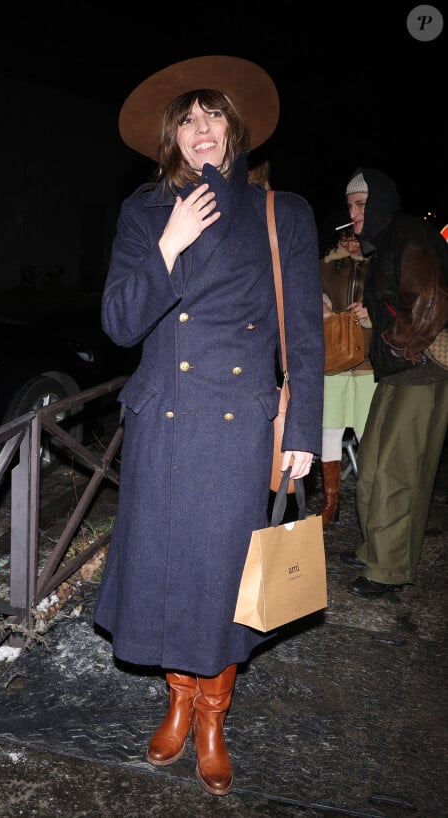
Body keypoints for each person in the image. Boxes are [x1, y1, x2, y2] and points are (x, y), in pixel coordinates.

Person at [93, 55, 324, 796]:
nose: (200, 129)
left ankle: (214, 711)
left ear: (235, 127)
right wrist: (169, 242)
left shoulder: (279, 211)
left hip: (235, 427)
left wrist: (303, 433)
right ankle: (177, 700)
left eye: (212, 115)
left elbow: (306, 342)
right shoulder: (142, 210)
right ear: (172, 134)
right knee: (165, 576)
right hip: (162, 421)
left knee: (222, 581)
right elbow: (120, 323)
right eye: (187, 119)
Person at [340, 168, 448, 597]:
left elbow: (430, 301)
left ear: (380, 201)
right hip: (396, 367)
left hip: (418, 368)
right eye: (349, 204)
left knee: (398, 472)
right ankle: (374, 549)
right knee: (371, 466)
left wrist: (398, 343)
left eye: (361, 204)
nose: (353, 212)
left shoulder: (409, 234)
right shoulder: (387, 238)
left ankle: (389, 567)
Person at [319, 224, 376, 527]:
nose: (351, 243)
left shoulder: (378, 263)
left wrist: (371, 314)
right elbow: (305, 292)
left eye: (355, 237)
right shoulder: (325, 264)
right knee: (330, 429)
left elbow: (392, 304)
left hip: (367, 361)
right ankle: (331, 502)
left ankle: (370, 503)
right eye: (345, 236)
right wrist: (324, 308)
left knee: (367, 434)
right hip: (335, 358)